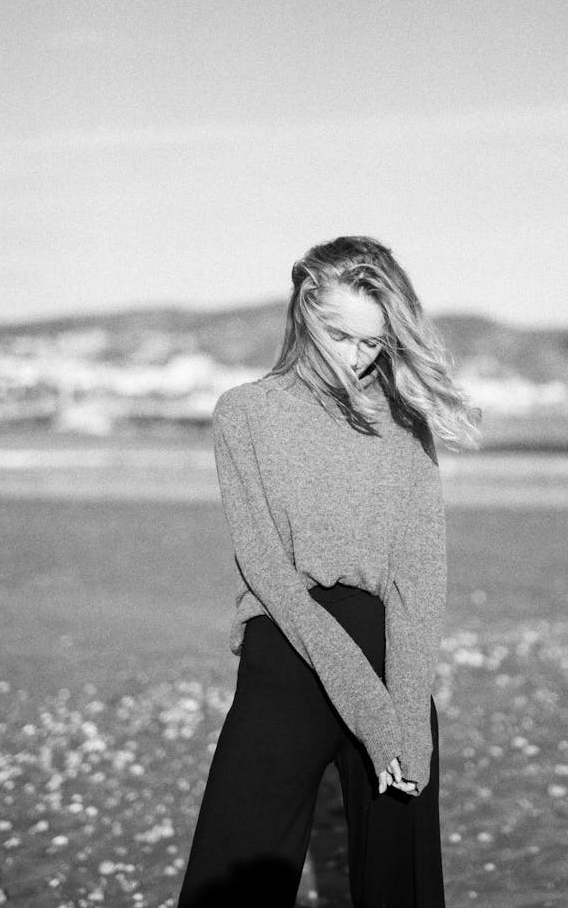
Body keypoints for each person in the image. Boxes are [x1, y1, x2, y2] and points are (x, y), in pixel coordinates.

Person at [176, 235, 482, 908]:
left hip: (388, 658)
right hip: (287, 652)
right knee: (228, 884)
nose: (355, 355)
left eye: (372, 341)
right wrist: (367, 708)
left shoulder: (404, 425)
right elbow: (266, 567)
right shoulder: (246, 413)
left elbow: (417, 580)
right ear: (304, 308)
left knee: (401, 891)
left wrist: (403, 715)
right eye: (339, 333)